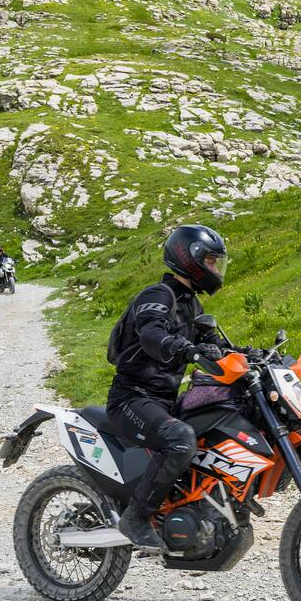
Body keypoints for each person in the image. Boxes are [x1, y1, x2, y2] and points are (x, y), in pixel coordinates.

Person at [104, 224, 230, 548]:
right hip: (132, 398)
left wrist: (251, 356)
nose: (216, 269)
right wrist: (185, 348)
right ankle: (135, 517)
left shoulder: (192, 305)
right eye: (211, 261)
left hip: (162, 400)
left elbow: (217, 346)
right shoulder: (159, 295)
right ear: (190, 259)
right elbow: (151, 333)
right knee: (180, 439)